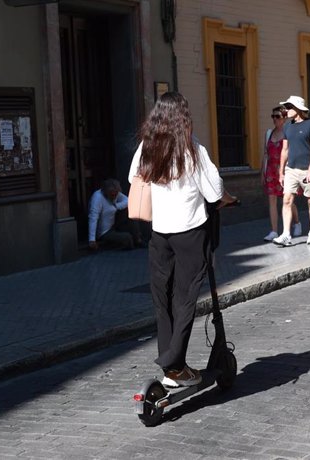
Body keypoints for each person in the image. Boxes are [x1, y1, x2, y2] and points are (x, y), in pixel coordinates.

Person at [128, 92, 236, 388]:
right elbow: (215, 193)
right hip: (190, 233)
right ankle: (174, 366)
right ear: (183, 118)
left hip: (160, 235)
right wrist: (230, 199)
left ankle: (170, 363)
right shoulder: (193, 150)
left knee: (162, 299)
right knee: (184, 298)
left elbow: (133, 181)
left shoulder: (146, 147)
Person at [272, 95, 310, 246]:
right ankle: (286, 234)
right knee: (286, 200)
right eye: (285, 107)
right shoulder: (287, 127)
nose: (286, 110)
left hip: (307, 169)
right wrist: (281, 172)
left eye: (289, 107)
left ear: (298, 109)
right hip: (291, 170)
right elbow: (285, 150)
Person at [261, 105, 301, 241]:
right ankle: (274, 231)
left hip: (286, 171)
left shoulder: (290, 133)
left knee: (287, 200)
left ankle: (296, 223)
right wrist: (263, 172)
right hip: (271, 171)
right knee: (272, 200)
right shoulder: (268, 134)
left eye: (277, 116)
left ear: (284, 118)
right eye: (273, 116)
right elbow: (265, 155)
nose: (274, 119)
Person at [88, 178, 143, 250]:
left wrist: (116, 206)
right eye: (112, 194)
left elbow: (127, 200)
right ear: (106, 192)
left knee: (132, 216)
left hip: (113, 225)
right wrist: (92, 240)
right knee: (127, 237)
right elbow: (93, 218)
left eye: (116, 194)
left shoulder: (116, 194)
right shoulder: (97, 198)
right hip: (104, 232)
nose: (114, 196)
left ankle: (138, 240)